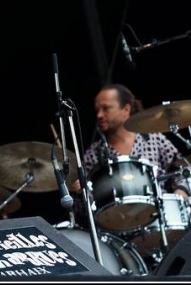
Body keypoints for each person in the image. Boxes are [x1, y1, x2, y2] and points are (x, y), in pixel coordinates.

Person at [69, 84, 190, 264]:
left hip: (163, 224)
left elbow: (182, 170)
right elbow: (86, 211)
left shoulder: (154, 138)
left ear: (126, 109)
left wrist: (181, 190)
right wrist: (78, 193)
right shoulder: (93, 154)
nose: (99, 115)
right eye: (97, 110)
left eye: (106, 108)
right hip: (121, 241)